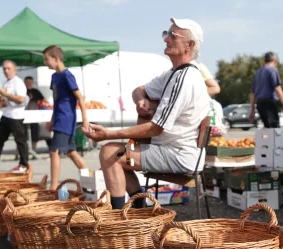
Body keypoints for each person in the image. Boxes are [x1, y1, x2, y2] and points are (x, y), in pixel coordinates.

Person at [82, 17, 211, 210]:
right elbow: (139, 89)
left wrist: (107, 134)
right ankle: (138, 209)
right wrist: (141, 100)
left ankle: (119, 218)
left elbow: (156, 128)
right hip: (171, 149)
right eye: (166, 34)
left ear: (189, 45)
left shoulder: (185, 78)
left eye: (172, 35)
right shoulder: (174, 73)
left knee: (110, 152)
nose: (166, 39)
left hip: (179, 154)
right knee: (114, 152)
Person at [42, 45, 89, 190]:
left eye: (46, 59)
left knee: (54, 151)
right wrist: (51, 120)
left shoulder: (67, 75)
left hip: (66, 119)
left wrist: (85, 120)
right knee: (71, 152)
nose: (45, 63)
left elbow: (80, 98)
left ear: (56, 58)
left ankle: (53, 187)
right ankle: (91, 179)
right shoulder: (54, 77)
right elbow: (57, 101)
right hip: (58, 119)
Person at [249, 51, 283, 128]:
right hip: (269, 103)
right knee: (274, 129)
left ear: (265, 61)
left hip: (260, 103)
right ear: (275, 61)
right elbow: (277, 88)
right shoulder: (272, 70)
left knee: (268, 129)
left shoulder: (257, 72)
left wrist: (252, 109)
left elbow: (253, 93)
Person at [24, 76, 45, 151]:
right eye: (27, 82)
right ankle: (21, 151)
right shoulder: (22, 91)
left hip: (34, 115)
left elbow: (44, 101)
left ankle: (34, 149)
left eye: (30, 82)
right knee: (23, 134)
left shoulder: (36, 91)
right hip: (23, 115)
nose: (29, 84)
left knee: (35, 133)